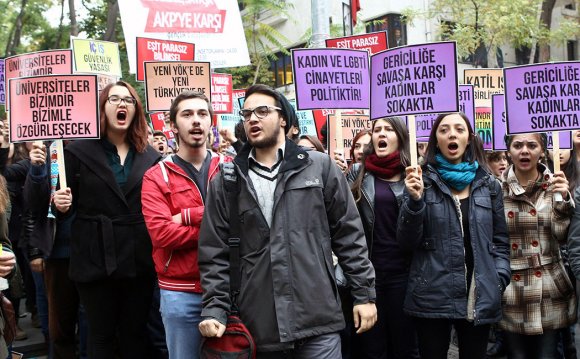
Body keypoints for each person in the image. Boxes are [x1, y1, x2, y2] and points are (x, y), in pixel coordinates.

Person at [198, 84, 377, 358]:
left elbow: (349, 235)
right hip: (259, 324)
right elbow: (214, 252)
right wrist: (214, 309)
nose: (252, 119)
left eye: (262, 111)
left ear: (284, 118)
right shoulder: (227, 179)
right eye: (246, 115)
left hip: (318, 319)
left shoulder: (319, 167)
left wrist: (364, 294)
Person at [53, 81, 161, 358]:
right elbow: (58, 201)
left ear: (136, 110)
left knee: (134, 333)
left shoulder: (152, 157)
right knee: (101, 334)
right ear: (102, 108)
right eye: (114, 99)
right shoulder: (77, 152)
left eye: (128, 100)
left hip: (140, 259)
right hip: (94, 257)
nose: (122, 104)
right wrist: (60, 204)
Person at [398, 112, 510, 359]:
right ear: (435, 139)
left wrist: (499, 278)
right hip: (432, 296)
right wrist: (414, 203)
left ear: (468, 139)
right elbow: (407, 242)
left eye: (459, 129)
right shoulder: (420, 181)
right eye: (444, 129)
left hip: (477, 293)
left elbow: (500, 241)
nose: (452, 134)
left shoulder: (488, 184)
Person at [142, 91, 231, 359]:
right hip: (181, 293)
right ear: (172, 125)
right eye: (187, 114)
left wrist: (190, 216)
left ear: (211, 122)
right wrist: (218, 226)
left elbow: (241, 222)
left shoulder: (229, 168)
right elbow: (162, 235)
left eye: (202, 114)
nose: (196, 121)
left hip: (230, 288)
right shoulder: (156, 176)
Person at [347, 117, 420, 359]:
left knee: (405, 347)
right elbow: (343, 218)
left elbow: (414, 236)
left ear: (400, 137)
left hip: (405, 275)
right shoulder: (359, 173)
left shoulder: (415, 174)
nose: (381, 134)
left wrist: (415, 200)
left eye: (388, 129)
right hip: (369, 276)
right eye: (377, 129)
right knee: (373, 348)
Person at [501, 133, 576, 359]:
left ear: (542, 150)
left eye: (532, 145)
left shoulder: (554, 186)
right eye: (518, 145)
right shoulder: (495, 189)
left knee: (548, 355)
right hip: (512, 290)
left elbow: (562, 236)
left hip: (548, 287)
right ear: (509, 151)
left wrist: (563, 198)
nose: (525, 150)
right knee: (517, 356)